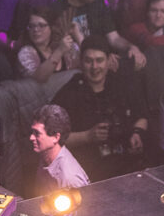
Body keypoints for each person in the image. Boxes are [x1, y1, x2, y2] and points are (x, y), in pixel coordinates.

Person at [53, 36, 149, 183]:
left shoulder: (121, 85)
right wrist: (87, 136)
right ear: (80, 62)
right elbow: (52, 138)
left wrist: (137, 133)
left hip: (128, 167)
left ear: (109, 60)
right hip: (90, 173)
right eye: (88, 61)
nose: (94, 67)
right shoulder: (69, 93)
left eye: (99, 60)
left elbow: (142, 115)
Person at [30, 104, 89, 195]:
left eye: (37, 133)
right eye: (32, 132)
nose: (31, 137)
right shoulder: (45, 157)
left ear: (55, 137)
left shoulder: (70, 179)